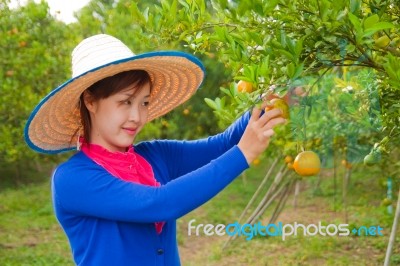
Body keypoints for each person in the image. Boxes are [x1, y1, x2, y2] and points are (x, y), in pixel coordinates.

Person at [24, 34, 286, 265]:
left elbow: (222, 143)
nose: (137, 117)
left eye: (144, 103)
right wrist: (243, 155)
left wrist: (270, 102)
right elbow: (160, 204)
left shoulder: (155, 155)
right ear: (90, 101)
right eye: (125, 102)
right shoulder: (73, 178)